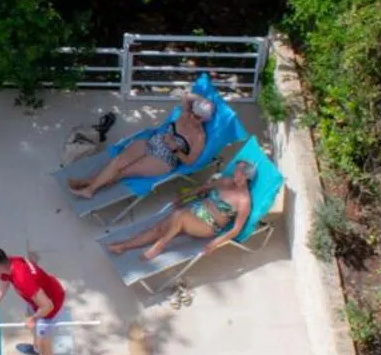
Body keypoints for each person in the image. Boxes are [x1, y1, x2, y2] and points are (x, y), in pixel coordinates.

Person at [67, 91, 215, 199]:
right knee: (117, 162)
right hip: (152, 142)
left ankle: (89, 189)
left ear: (204, 119)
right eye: (192, 112)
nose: (191, 116)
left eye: (196, 116)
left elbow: (191, 162)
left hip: (164, 159)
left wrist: (174, 148)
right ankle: (88, 182)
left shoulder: (199, 137)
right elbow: (187, 94)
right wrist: (204, 101)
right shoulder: (185, 115)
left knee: (124, 172)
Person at [108, 158, 257, 260]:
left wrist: (215, 243)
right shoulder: (226, 181)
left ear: (246, 176)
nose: (234, 173)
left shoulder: (244, 201)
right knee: (159, 228)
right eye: (236, 170)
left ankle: (160, 245)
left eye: (238, 171)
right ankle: (123, 246)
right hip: (195, 211)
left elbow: (236, 229)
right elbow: (202, 188)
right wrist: (182, 198)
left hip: (208, 226)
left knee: (180, 215)